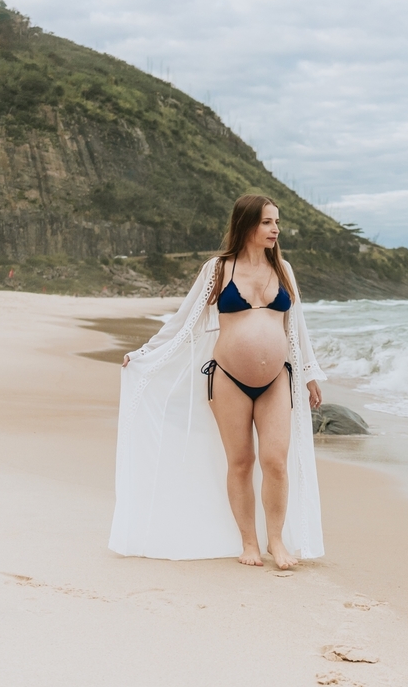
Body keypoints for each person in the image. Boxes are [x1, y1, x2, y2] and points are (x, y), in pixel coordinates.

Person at [109, 195, 325, 568]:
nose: (275, 229)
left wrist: (309, 373)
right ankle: (249, 543)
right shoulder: (219, 269)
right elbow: (183, 319)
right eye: (267, 222)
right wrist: (144, 353)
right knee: (241, 461)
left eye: (277, 222)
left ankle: (276, 540)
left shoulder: (284, 269)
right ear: (246, 225)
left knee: (276, 461)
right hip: (228, 378)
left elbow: (297, 326)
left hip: (276, 380)